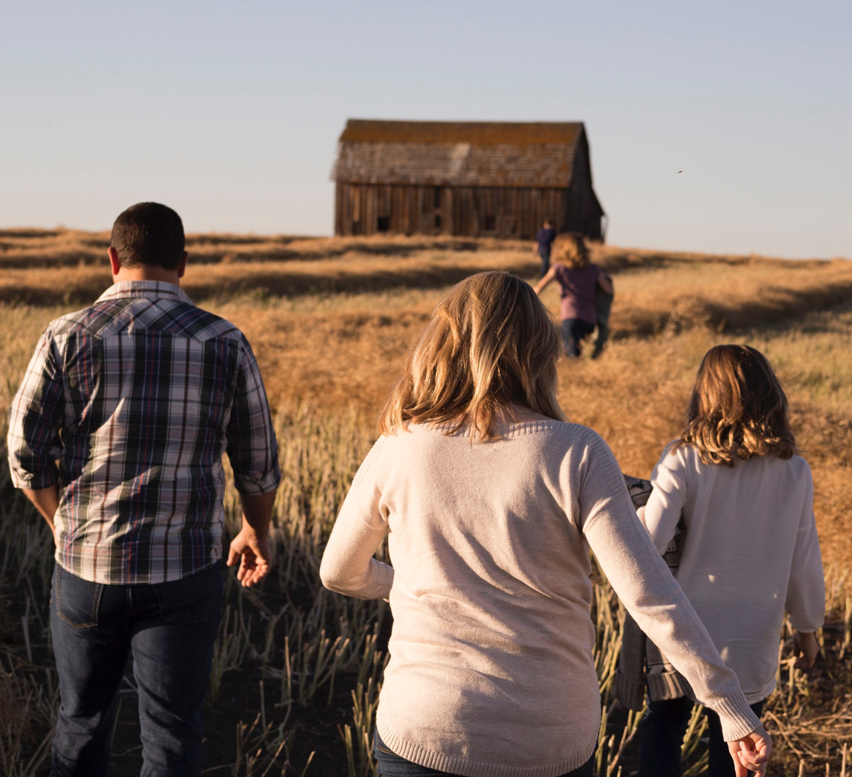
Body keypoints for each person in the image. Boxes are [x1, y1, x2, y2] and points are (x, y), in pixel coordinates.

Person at [320, 272, 771, 777]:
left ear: (443, 342)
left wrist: (418, 587)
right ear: (540, 349)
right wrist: (728, 705)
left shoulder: (399, 446)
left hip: (425, 729)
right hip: (550, 739)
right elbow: (648, 594)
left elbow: (339, 571)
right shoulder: (577, 451)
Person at [7, 202, 281, 777]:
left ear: (111, 259)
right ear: (184, 264)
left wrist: (61, 522)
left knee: (80, 725)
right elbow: (257, 462)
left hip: (86, 568)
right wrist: (256, 527)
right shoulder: (225, 341)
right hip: (185, 574)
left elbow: (24, 455)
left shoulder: (65, 335)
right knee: (174, 735)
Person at [637, 344, 824, 777]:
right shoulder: (795, 470)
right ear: (771, 396)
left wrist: (634, 505)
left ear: (704, 396)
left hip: (687, 629)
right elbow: (804, 558)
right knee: (738, 739)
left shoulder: (683, 457)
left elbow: (649, 538)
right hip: (754, 634)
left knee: (664, 724)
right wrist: (808, 628)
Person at [534, 233, 612, 358]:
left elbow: (537, 289)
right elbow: (608, 290)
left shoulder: (559, 268)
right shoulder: (593, 269)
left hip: (570, 317)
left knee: (572, 357)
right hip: (590, 319)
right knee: (585, 356)